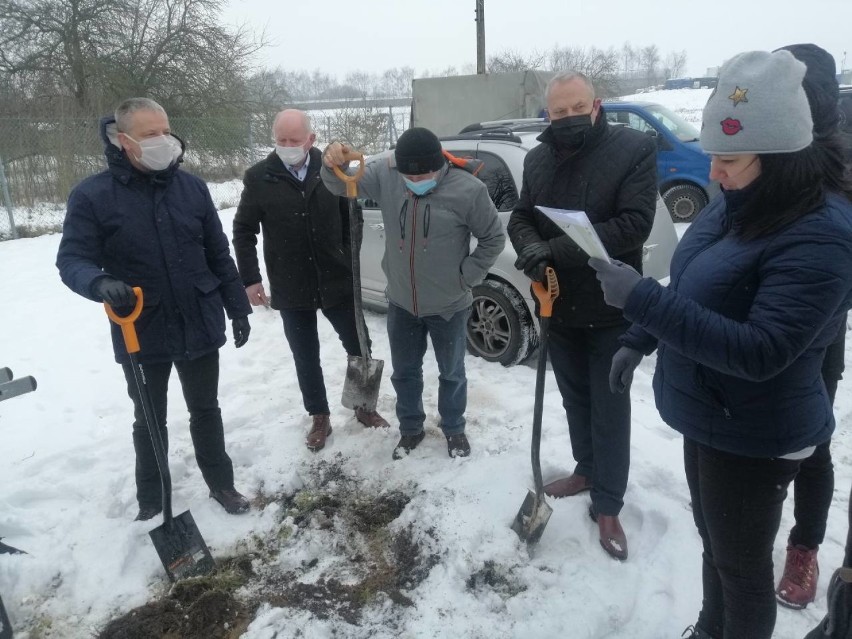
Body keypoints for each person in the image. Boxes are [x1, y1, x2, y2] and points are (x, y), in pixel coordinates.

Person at [590, 50, 852, 639]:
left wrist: (641, 303)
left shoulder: (822, 234)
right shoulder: (736, 203)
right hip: (709, 411)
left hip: (756, 431)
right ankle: (711, 629)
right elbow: (693, 285)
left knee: (741, 567)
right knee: (715, 544)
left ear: (781, 157)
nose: (714, 173)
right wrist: (640, 335)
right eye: (713, 157)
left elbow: (763, 350)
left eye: (729, 159)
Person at [57, 98, 253, 521]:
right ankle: (152, 499)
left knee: (206, 409)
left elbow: (218, 253)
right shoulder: (93, 196)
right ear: (123, 140)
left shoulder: (192, 188)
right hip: (140, 326)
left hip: (198, 317)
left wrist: (237, 307)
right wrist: (99, 282)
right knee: (149, 418)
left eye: (165, 131)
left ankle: (221, 483)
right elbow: (71, 259)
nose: (162, 141)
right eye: (150, 135)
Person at [506, 70, 658, 561]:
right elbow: (522, 214)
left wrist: (552, 247)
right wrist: (529, 246)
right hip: (556, 303)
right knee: (575, 399)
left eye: (577, 108)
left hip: (612, 305)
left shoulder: (633, 149)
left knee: (609, 407)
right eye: (558, 111)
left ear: (596, 105)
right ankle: (586, 469)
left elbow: (632, 226)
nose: (568, 118)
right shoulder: (538, 157)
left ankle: (609, 503)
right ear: (547, 113)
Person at [321, 128, 505, 460]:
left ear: (440, 165)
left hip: (450, 304)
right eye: (409, 174)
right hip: (403, 302)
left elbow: (493, 237)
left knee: (451, 372)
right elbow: (338, 184)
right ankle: (411, 429)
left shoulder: (469, 190)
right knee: (405, 372)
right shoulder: (386, 175)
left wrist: (466, 276)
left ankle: (454, 428)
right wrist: (331, 161)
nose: (416, 179)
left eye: (424, 173)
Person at [232, 109, 389, 453]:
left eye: (294, 140)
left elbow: (353, 218)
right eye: (281, 141)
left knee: (360, 344)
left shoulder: (332, 169)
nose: (287, 147)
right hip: (291, 282)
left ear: (311, 140)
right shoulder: (260, 177)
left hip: (337, 278)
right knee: (306, 355)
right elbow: (243, 230)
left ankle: (364, 406)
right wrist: (250, 278)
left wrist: (347, 257)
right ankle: (319, 415)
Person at [772, 42, 849, 611]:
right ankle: (746, 534)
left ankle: (804, 546)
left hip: (818, 334)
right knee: (763, 451)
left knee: (810, 444)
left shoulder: (839, 167)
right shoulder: (765, 149)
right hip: (756, 328)